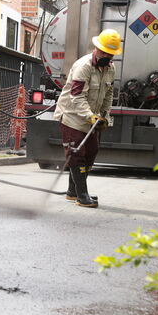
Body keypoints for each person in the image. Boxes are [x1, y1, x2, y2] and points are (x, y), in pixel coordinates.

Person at [53, 29, 122, 208]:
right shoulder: (83, 66)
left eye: (111, 53)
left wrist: (105, 116)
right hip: (72, 116)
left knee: (91, 151)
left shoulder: (110, 68)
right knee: (76, 154)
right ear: (97, 48)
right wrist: (89, 116)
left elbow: (108, 94)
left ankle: (72, 191)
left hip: (91, 117)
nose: (107, 56)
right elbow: (76, 97)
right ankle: (82, 195)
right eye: (105, 52)